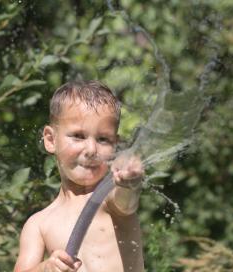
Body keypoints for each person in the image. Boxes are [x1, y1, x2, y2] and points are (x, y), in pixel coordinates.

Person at [14, 80, 144, 272]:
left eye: (103, 139)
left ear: (115, 145)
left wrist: (130, 182)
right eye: (78, 136)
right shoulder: (39, 224)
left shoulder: (109, 199)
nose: (91, 149)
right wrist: (45, 269)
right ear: (51, 140)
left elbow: (127, 201)